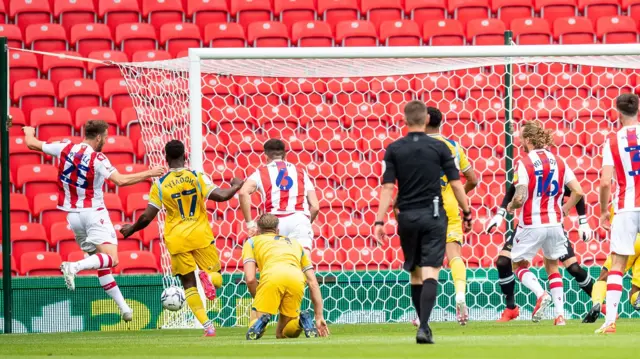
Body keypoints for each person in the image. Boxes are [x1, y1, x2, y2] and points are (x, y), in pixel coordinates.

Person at [22, 120, 164, 322]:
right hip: (93, 213)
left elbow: (32, 144)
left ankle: (124, 308)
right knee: (112, 259)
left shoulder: (64, 147)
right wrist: (149, 173)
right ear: (98, 137)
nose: (105, 140)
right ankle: (74, 267)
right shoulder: (98, 158)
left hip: (73, 217)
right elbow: (120, 181)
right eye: (105, 137)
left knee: (101, 262)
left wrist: (28, 131)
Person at [119, 140, 244, 337]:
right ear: (185, 156)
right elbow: (220, 196)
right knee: (217, 279)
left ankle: (208, 326)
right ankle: (209, 278)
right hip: (200, 235)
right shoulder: (197, 176)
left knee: (188, 284)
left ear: (166, 158)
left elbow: (147, 217)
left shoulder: (160, 184)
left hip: (177, 238)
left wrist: (132, 228)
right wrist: (236, 186)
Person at [374, 100, 472, 344]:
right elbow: (458, 183)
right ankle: (424, 326)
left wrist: (379, 220)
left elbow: (387, 187)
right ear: (426, 120)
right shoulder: (442, 148)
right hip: (435, 214)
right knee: (431, 272)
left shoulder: (394, 149)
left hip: (406, 216)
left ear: (405, 120)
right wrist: (467, 211)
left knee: (415, 274)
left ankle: (421, 322)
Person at [506, 120, 583, 326]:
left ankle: (541, 294)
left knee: (518, 264)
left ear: (529, 140)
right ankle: (560, 317)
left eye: (522, 138)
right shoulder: (559, 161)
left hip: (532, 222)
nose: (520, 142)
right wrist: (566, 209)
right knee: (552, 265)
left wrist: (511, 205)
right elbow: (579, 191)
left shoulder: (524, 163)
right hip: (555, 223)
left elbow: (520, 196)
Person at [487, 184, 594, 322]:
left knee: (569, 267)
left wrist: (507, 209)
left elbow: (577, 191)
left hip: (539, 225)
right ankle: (555, 314)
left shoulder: (536, 169)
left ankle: (543, 296)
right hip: (542, 225)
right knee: (508, 262)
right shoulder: (545, 169)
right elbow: (513, 189)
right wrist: (582, 220)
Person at [242, 214, 329, 340]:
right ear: (277, 230)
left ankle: (260, 323)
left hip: (271, 277)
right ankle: (301, 322)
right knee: (282, 333)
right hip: (296, 278)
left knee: (257, 317)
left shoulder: (252, 242)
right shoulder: (295, 243)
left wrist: (259, 297)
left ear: (258, 231)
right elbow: (313, 282)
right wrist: (319, 316)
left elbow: (250, 279)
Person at [596, 93, 640, 334]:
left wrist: (604, 211)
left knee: (618, 264)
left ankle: (610, 321)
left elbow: (604, 182)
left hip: (625, 206)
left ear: (617, 112)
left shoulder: (612, 141)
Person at [238, 139, 320, 255]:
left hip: (273, 224)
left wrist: (250, 224)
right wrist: (304, 222)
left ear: (265, 156)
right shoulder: (300, 172)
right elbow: (315, 206)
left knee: (275, 263)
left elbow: (243, 193)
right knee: (304, 264)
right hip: (299, 219)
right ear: (285, 155)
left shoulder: (261, 172)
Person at [583, 207, 640, 323]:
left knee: (605, 276)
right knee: (635, 292)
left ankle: (597, 303)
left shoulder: (624, 197)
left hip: (631, 240)